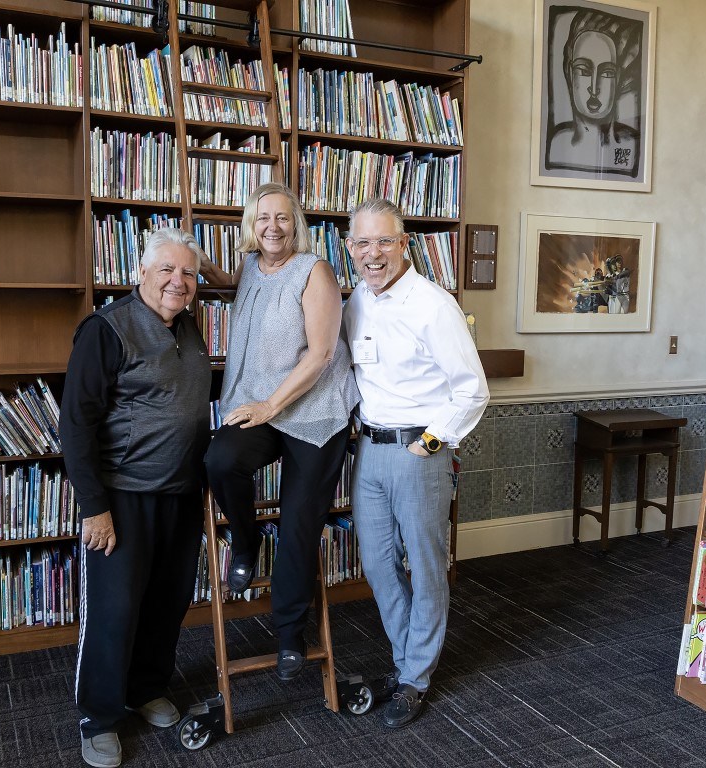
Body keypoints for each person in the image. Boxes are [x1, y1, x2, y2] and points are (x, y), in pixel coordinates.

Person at [61, 228, 212, 768]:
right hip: (122, 497)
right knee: (114, 609)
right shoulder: (106, 329)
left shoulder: (189, 326)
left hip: (181, 493)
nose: (179, 281)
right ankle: (99, 715)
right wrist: (93, 507)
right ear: (140, 273)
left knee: (167, 600)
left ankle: (146, 688)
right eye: (167, 270)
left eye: (189, 274)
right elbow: (77, 424)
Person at [201, 182, 358, 681]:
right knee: (220, 460)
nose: (273, 226)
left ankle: (290, 633)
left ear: (297, 225)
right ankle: (246, 542)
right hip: (265, 406)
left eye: (283, 218)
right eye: (263, 217)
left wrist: (270, 404)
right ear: (252, 224)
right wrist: (206, 270)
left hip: (313, 412)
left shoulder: (316, 272)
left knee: (298, 524)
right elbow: (244, 290)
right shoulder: (250, 266)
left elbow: (322, 354)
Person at [342, 198, 488, 729]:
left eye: (385, 241)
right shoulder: (355, 300)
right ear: (350, 248)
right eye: (363, 243)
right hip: (370, 452)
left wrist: (431, 442)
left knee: (425, 568)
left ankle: (415, 678)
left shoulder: (433, 304)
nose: (373, 253)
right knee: (379, 566)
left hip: (417, 453)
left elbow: (472, 390)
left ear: (404, 244)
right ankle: (408, 663)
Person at [546, 8, 642, 176]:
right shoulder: (556, 144)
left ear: (618, 78)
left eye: (607, 73)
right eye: (583, 70)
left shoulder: (632, 144)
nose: (594, 87)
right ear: (569, 72)